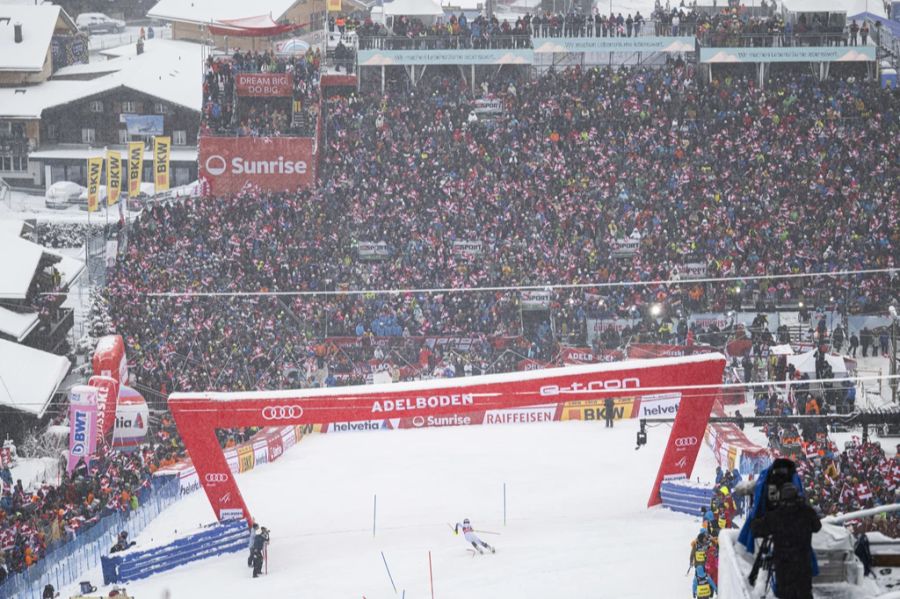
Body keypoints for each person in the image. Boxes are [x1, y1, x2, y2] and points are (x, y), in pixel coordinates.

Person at [750, 482, 822, 599]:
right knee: (804, 594)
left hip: (784, 566)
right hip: (803, 565)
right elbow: (817, 527)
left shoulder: (776, 515)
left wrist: (756, 515)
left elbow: (756, 529)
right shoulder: (807, 512)